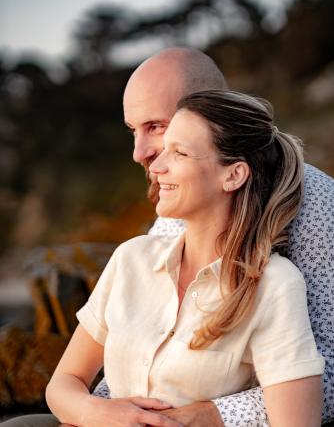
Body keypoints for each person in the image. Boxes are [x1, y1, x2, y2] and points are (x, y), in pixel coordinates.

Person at [2, 48, 333, 427]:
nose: (140, 154)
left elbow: (321, 373)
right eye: (133, 130)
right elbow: (124, 359)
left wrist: (207, 416)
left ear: (211, 111)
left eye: (156, 128)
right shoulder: (147, 244)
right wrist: (100, 412)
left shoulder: (311, 216)